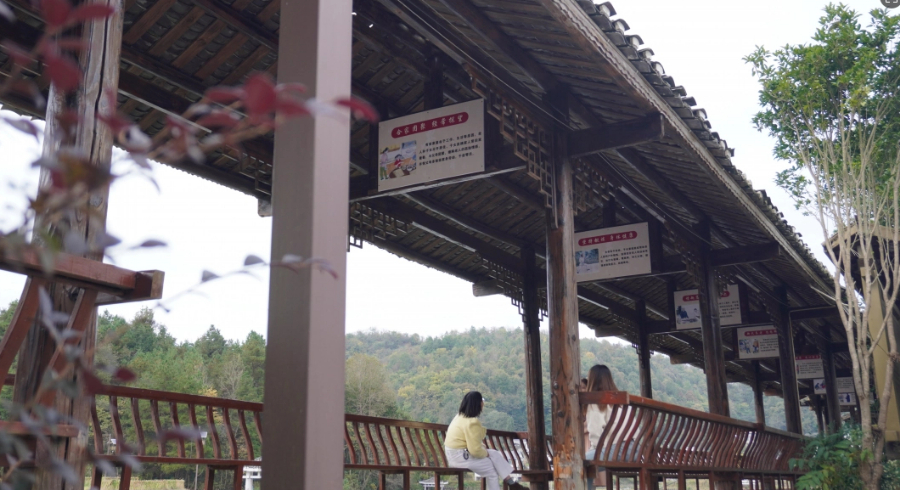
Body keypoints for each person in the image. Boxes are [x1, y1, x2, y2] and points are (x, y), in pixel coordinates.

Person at [445, 391, 527, 490]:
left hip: (455, 455)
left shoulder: (459, 417)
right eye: (482, 401)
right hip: (461, 458)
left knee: (494, 453)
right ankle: (513, 485)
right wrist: (486, 454)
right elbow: (475, 451)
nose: (483, 403)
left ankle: (512, 484)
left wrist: (487, 453)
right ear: (478, 404)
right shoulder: (472, 422)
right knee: (492, 470)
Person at [583, 365, 625, 490]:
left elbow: (596, 436)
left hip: (616, 450)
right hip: (636, 451)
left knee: (577, 464)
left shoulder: (595, 401)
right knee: (585, 461)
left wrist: (592, 452)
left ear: (592, 381)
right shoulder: (621, 401)